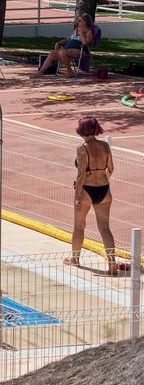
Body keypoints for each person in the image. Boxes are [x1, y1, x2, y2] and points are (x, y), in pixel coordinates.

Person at [67, 116, 122, 274]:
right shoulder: (105, 146)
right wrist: (102, 178)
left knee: (79, 226)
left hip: (87, 189)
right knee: (105, 228)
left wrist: (77, 195)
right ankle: (112, 263)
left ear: (81, 129)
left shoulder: (82, 148)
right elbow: (111, 168)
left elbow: (81, 173)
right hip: (104, 189)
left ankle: (75, 258)